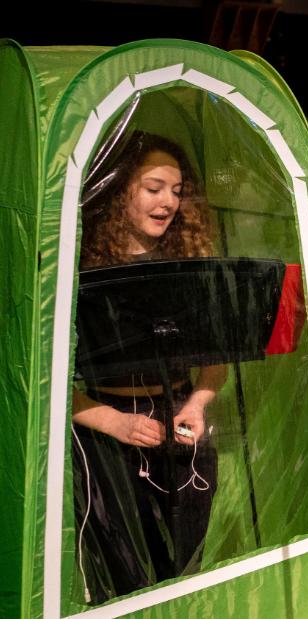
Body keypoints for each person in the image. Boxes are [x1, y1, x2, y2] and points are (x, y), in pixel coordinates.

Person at [71, 131, 225, 603]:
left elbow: (216, 359)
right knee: (125, 574)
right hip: (103, 438)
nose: (168, 202)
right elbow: (41, 372)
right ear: (121, 192)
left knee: (184, 565)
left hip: (178, 426)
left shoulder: (190, 263)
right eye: (154, 187)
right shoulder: (78, 268)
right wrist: (114, 422)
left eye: (177, 192)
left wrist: (197, 404)